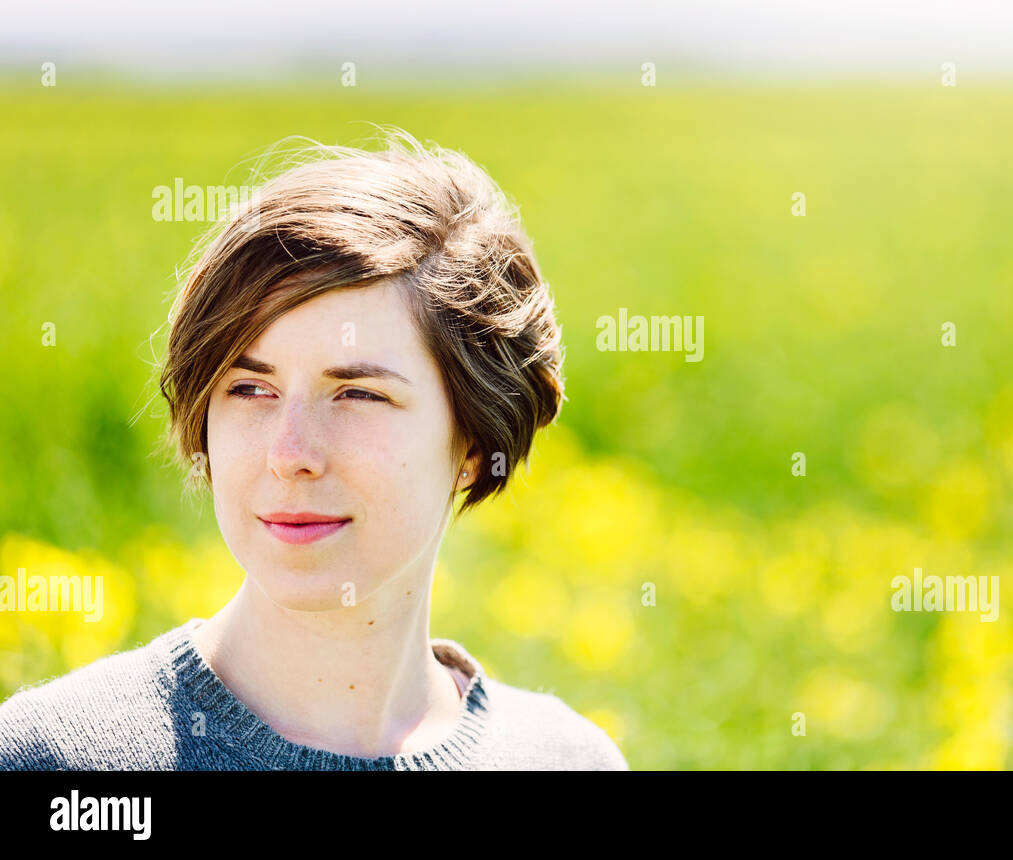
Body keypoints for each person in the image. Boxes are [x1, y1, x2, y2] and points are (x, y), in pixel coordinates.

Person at [0, 129, 629, 770]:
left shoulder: (568, 760)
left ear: (473, 441)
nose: (290, 452)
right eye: (249, 388)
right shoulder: (55, 761)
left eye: (357, 394)